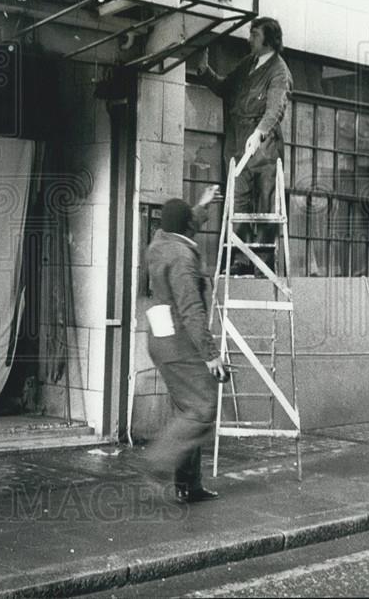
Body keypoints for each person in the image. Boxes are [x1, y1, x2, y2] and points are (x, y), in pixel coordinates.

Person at [144, 190, 226, 503]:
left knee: (186, 408)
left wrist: (202, 205)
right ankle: (156, 463)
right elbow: (192, 308)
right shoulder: (181, 258)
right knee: (203, 406)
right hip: (180, 340)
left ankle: (188, 485)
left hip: (161, 337)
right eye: (193, 219)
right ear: (186, 227)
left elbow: (183, 222)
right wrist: (211, 355)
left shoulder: (161, 241)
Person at [197, 17, 292, 272]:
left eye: (255, 34)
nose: (249, 39)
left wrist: (259, 133)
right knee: (238, 201)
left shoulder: (279, 71)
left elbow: (275, 109)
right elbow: (225, 87)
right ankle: (239, 260)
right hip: (239, 142)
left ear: (269, 39)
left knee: (265, 204)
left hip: (264, 147)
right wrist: (204, 70)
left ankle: (263, 262)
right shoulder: (248, 63)